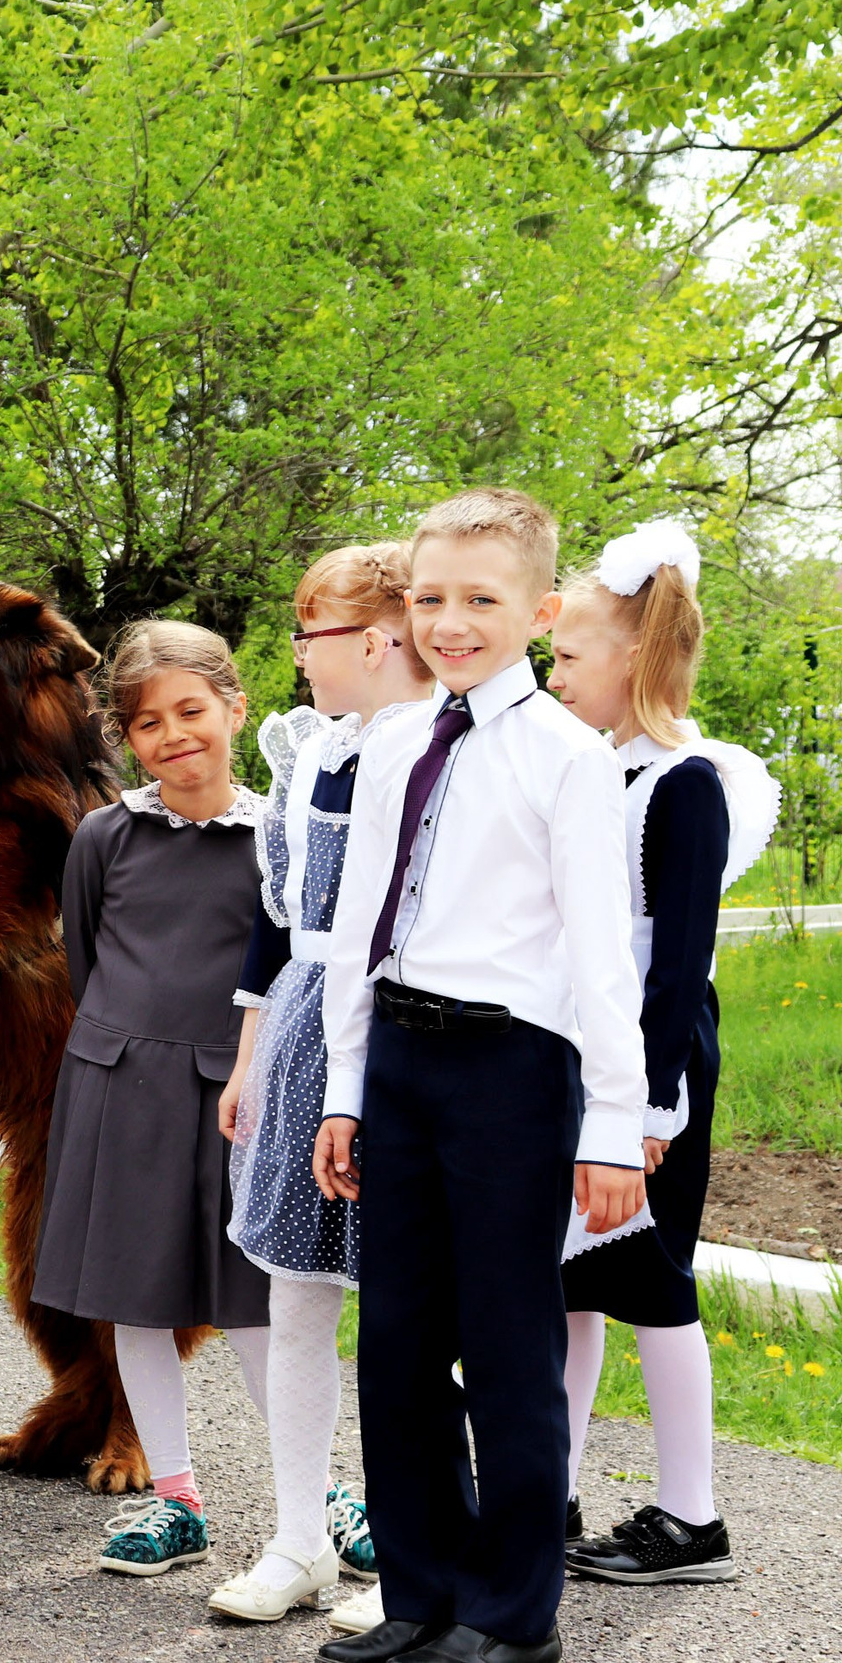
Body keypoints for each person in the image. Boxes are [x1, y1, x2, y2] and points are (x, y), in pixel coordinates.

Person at [315, 488, 650, 1663]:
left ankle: (513, 1616)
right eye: (429, 597)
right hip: (400, 1062)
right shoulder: (394, 738)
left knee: (508, 1350)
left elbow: (603, 952)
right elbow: (362, 924)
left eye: (479, 600)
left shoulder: (568, 758)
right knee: (397, 1345)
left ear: (538, 608)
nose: (449, 623)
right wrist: (344, 1089)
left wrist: (615, 1124)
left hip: (511, 1072)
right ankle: (421, 1597)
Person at [545, 523, 776, 1587]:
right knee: (571, 1282)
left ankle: (693, 1518)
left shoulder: (683, 783)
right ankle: (551, 1483)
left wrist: (647, 1111)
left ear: (631, 658)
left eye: (566, 658)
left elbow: (678, 959)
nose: (553, 677)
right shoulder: (603, 771)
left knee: (652, 1279)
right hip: (589, 1055)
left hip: (653, 1061)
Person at [207, 547, 433, 1627]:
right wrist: (248, 1059)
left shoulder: (437, 749)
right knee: (291, 1295)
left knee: (403, 1307)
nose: (297, 659)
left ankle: (415, 1551)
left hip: (400, 1026)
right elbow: (274, 918)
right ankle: (300, 1539)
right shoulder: (307, 755)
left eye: (312, 637)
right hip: (302, 1025)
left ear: (377, 641)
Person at [30, 621, 272, 1577]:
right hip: (120, 1092)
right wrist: (129, 1056)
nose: (172, 736)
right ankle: (176, 1500)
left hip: (232, 1101)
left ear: (234, 707)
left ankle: (321, 1497)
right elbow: (89, 962)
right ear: (127, 738)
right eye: (146, 723)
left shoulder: (277, 837)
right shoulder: (105, 835)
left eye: (191, 712)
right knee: (135, 1305)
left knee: (254, 1305)